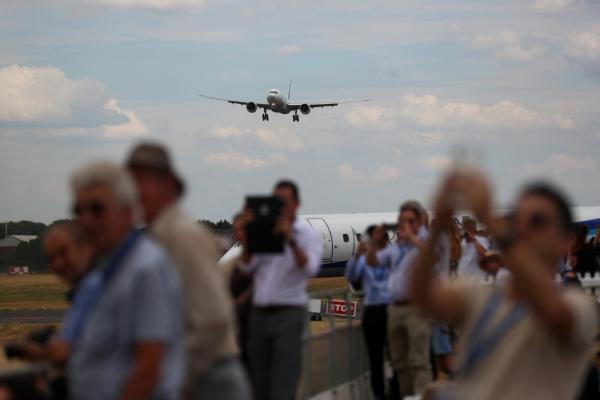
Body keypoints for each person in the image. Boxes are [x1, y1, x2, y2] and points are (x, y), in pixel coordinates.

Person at [411, 172, 599, 400]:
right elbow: (421, 294)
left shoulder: (578, 305)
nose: (523, 230)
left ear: (565, 239)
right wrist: (437, 227)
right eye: (518, 221)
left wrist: (490, 220)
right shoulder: (481, 297)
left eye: (537, 222)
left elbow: (553, 312)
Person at [126, 142, 249, 400]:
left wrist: (178, 379)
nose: (134, 191)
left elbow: (213, 317)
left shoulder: (181, 235)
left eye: (144, 181)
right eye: (130, 182)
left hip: (208, 379)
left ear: (169, 185)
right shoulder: (157, 235)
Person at [61, 161, 184, 400]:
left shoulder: (146, 269)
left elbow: (148, 369)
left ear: (127, 211)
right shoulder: (104, 273)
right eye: (78, 211)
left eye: (97, 209)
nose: (86, 220)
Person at [239, 180, 323, 400]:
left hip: (288, 314)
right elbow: (247, 266)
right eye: (276, 201)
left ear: (297, 204)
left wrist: (290, 240)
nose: (280, 206)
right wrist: (248, 238)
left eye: (284, 201)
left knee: (284, 381)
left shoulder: (307, 234)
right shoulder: (264, 233)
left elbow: (310, 268)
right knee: (259, 383)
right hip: (259, 315)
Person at [366, 201, 431, 397]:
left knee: (418, 361)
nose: (406, 224)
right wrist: (374, 243)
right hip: (395, 309)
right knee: (399, 362)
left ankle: (422, 395)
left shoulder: (426, 239)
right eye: (402, 220)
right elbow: (373, 261)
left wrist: (412, 238)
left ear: (420, 222)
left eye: (410, 220)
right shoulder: (397, 247)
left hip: (416, 307)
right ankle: (408, 396)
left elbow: (433, 256)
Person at [345, 226, 391, 400]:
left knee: (396, 355)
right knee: (375, 358)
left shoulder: (393, 257)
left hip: (390, 307)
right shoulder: (362, 261)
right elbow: (351, 277)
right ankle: (378, 393)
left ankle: (397, 390)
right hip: (373, 310)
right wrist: (357, 256)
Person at [220, 214, 254, 371]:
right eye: (237, 231)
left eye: (244, 230)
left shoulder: (265, 261)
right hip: (239, 328)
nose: (240, 234)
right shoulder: (230, 264)